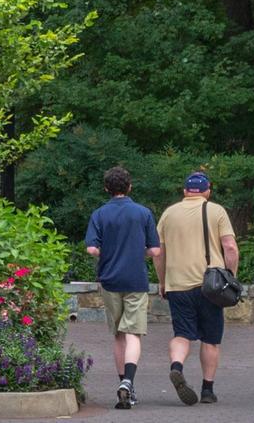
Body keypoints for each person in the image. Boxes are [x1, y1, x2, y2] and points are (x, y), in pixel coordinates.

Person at [154, 170, 238, 405]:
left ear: (184, 192)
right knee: (210, 339)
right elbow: (230, 247)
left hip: (178, 285)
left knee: (182, 334)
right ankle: (207, 390)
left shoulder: (168, 214)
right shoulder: (216, 210)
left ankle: (177, 366)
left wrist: (163, 281)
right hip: (211, 285)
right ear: (207, 191)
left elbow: (158, 254)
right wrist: (231, 278)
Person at [86, 165, 163, 409]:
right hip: (136, 280)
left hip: (109, 280)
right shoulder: (143, 213)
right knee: (133, 333)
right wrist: (138, 252)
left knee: (118, 334)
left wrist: (106, 252)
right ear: (129, 186)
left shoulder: (99, 214)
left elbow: (92, 248)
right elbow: (155, 250)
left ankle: (124, 383)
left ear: (106, 188)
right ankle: (128, 382)